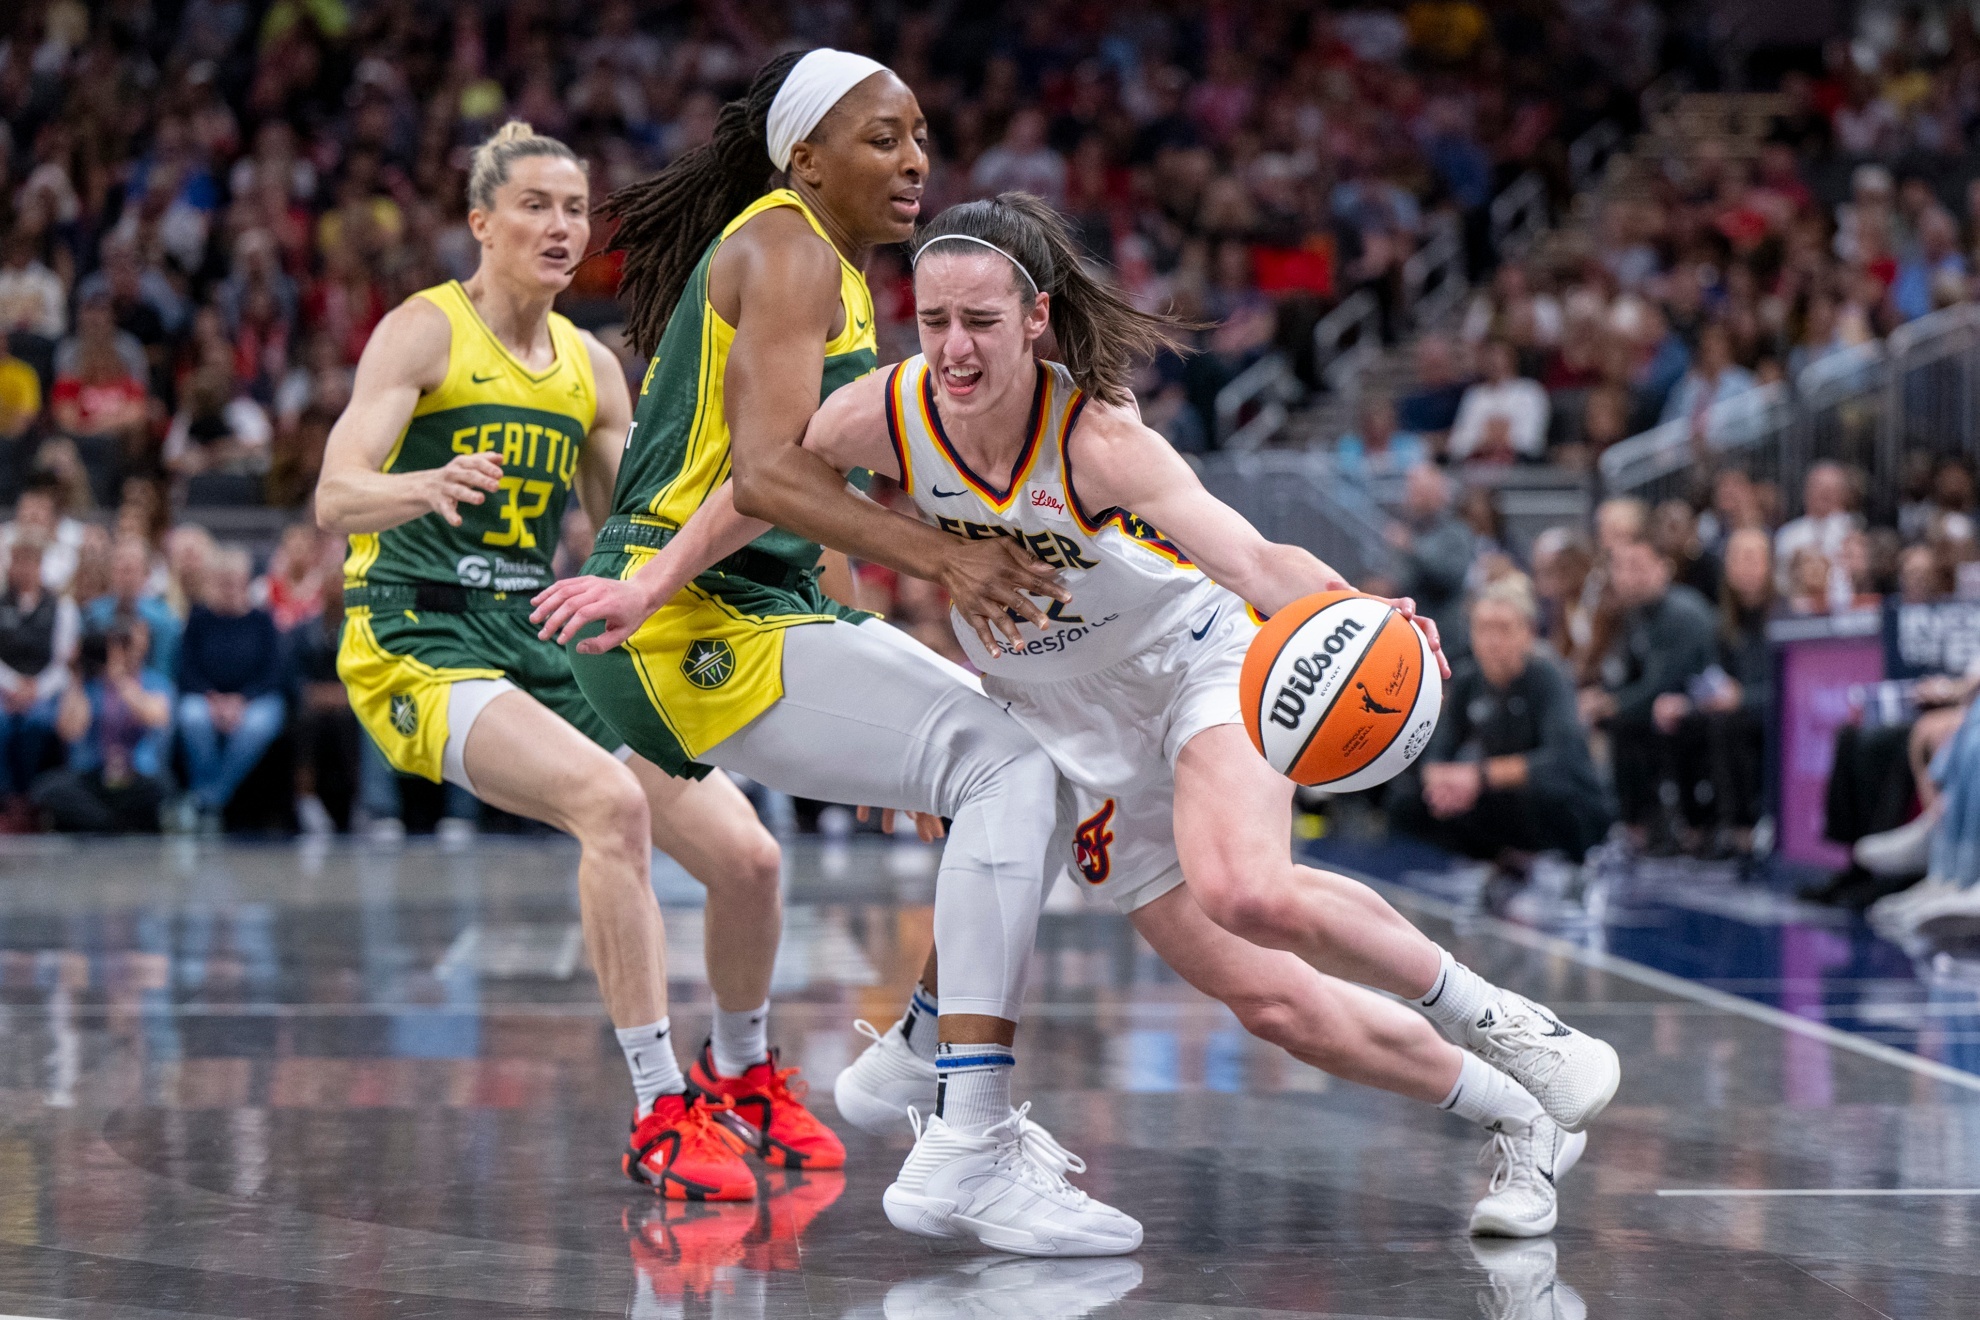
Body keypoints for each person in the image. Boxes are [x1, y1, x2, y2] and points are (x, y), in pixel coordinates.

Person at [549, 193, 1625, 1247]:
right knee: (1274, 1007)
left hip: (1192, 668)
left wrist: (1352, 609)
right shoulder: (888, 412)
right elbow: (761, 484)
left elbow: (1253, 561)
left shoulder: (1100, 439)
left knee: (1244, 884)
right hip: (1060, 720)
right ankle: (1519, 1118)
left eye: (980, 321)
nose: (955, 348)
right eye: (933, 322)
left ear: (1037, 317)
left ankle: (1508, 1023)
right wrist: (648, 583)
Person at [531, 51, 1135, 1253]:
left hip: (745, 607)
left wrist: (872, 664)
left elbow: (800, 497)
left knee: (1039, 770)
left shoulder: (840, 272)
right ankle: (965, 1128)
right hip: (685, 623)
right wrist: (948, 560)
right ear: (805, 157)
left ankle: (920, 1052)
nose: (914, 159)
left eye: (920, 135)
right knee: (1013, 773)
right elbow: (765, 478)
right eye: (881, 137)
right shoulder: (794, 250)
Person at [315, 121, 803, 1204]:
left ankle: (745, 1074)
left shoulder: (590, 368)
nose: (560, 226)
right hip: (416, 637)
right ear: (481, 223)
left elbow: (629, 534)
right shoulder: (422, 333)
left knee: (750, 859)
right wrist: (419, 488)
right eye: (534, 205)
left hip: (533, 641)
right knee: (607, 805)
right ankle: (658, 1108)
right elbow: (332, 493)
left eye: (575, 209)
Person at [1388, 574, 1611, 866]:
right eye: (1483, 628)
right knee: (1406, 803)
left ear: (1528, 632)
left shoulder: (1548, 676)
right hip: (1495, 796)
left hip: (1565, 805)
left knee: (1538, 797)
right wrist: (1443, 782)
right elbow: (1435, 750)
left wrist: (1477, 777)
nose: (1492, 641)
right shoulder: (1467, 679)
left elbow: (1560, 761)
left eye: (1503, 629)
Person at [1581, 536, 1719, 846]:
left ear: (1663, 569)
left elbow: (1662, 685)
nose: (1629, 577)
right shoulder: (1635, 614)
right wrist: (1600, 698)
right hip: (1664, 706)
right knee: (1611, 717)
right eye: (1622, 568)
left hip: (1701, 708)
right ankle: (1633, 824)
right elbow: (1620, 675)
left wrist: (1609, 704)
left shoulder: (1680, 613)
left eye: (1638, 567)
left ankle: (1652, 825)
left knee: (1623, 718)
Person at [1653, 527, 1773, 855]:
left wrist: (1743, 698)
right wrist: (1686, 701)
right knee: (1679, 719)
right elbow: (1712, 677)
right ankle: (1694, 827)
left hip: (1770, 713)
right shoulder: (1725, 623)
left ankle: (1740, 829)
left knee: (1727, 724)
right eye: (1734, 558)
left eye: (1751, 558)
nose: (1742, 566)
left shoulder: (1785, 617)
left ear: (1770, 565)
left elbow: (1789, 690)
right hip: (1728, 707)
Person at [174, 546, 286, 830]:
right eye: (222, 582)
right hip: (205, 697)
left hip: (254, 699)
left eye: (234, 582)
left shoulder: (262, 621)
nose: (228, 589)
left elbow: (273, 673)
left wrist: (242, 700)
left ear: (246, 583)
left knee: (256, 727)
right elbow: (186, 668)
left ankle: (208, 799)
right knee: (193, 718)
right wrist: (213, 698)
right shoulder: (199, 619)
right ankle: (211, 799)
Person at [34, 620, 172, 832]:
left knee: (162, 787)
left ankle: (102, 824)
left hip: (135, 775)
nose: (123, 652)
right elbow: (70, 731)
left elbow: (155, 717)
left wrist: (120, 678)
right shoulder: (89, 685)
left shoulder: (155, 682)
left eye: (128, 644)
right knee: (49, 789)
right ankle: (115, 825)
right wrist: (76, 675)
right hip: (92, 774)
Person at [0, 535, 78, 826]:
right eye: (18, 562)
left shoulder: (61, 607)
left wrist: (37, 688)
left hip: (43, 689)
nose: (24, 569)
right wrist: (12, 685)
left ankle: (32, 798)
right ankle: (7, 799)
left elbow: (62, 660)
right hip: (6, 688)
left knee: (38, 724)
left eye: (30, 562)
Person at [1385, 461, 1475, 660]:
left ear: (1439, 494)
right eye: (1413, 490)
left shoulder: (1455, 533)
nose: (1414, 497)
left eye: (1422, 491)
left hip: (1446, 637)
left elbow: (1451, 577)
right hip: (1409, 635)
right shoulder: (1407, 529)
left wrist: (1412, 548)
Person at [85, 534, 183, 678]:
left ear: (147, 574)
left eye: (132, 567)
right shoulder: (92, 615)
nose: (126, 573)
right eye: (120, 566)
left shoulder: (166, 621)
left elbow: (165, 672)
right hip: (100, 688)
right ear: (111, 571)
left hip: (150, 690)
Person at [1447, 339, 1549, 462]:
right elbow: (1457, 444)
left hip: (1519, 467)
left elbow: (1532, 441)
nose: (1494, 361)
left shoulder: (1530, 391)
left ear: (1513, 358)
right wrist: (1486, 439)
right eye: (1489, 356)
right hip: (1476, 466)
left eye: (1499, 355)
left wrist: (1502, 439)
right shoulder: (1474, 394)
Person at [1774, 461, 1861, 594]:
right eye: (1819, 486)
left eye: (1831, 488)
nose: (1824, 494)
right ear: (1806, 490)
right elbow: (1780, 580)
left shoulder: (1855, 530)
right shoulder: (1788, 535)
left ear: (1843, 493)